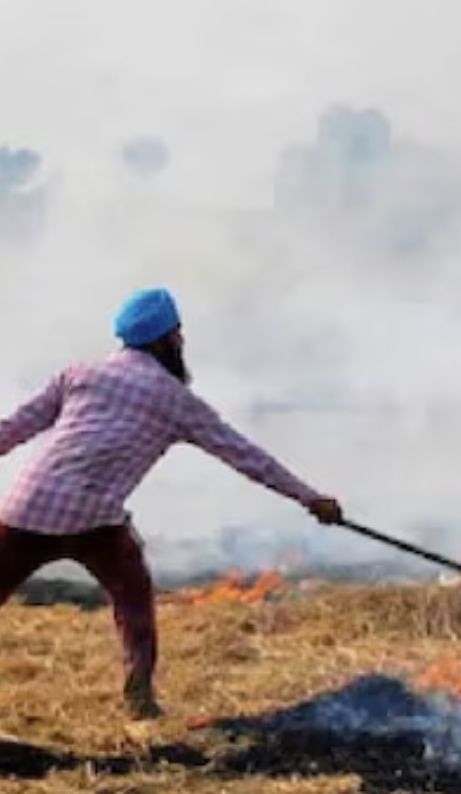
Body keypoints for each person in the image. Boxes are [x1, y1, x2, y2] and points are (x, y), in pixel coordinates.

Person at [0, 287, 343, 719]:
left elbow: (12, 430)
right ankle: (139, 699)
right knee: (134, 600)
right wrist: (310, 499)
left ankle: (140, 699)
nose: (181, 344)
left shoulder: (78, 374)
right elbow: (247, 457)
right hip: (93, 519)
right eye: (178, 336)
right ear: (166, 340)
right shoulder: (177, 401)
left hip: (28, 507)